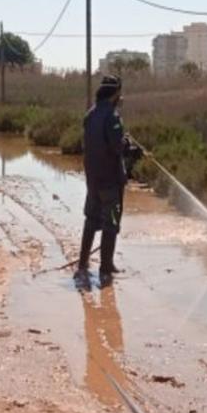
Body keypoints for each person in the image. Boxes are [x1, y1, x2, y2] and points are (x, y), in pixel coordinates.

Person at [77, 75, 140, 284]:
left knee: (91, 218)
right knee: (111, 222)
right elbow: (116, 147)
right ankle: (106, 268)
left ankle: (82, 264)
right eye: (119, 93)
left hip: (93, 179)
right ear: (115, 94)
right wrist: (131, 149)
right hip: (110, 179)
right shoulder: (112, 116)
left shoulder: (91, 113)